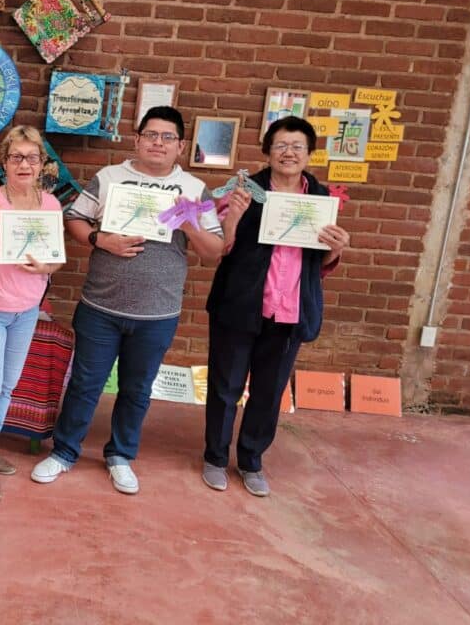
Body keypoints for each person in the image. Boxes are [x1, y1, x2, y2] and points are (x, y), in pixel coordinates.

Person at [31, 106, 224, 494]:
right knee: (85, 383)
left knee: (137, 389)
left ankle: (120, 455)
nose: (157, 142)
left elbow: (214, 250)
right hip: (101, 307)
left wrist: (188, 222)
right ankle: (65, 451)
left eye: (167, 137)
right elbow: (75, 219)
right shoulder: (110, 178)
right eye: (150, 134)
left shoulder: (194, 190)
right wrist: (99, 239)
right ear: (136, 139)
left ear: (180, 146)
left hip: (158, 312)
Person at [202, 116, 349, 497]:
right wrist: (234, 216)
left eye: (297, 146)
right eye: (281, 145)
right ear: (267, 150)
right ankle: (215, 457)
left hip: (290, 311)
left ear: (309, 154)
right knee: (225, 387)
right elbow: (223, 249)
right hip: (240, 305)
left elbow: (323, 265)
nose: (288, 153)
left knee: (269, 391)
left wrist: (336, 247)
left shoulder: (320, 199)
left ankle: (251, 460)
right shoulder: (244, 190)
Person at [0, 125, 63, 501]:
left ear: (40, 165)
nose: (24, 164)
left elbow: (56, 260)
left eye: (31, 158)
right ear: (4, 163)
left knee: (7, 386)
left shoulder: (50, 205)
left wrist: (45, 269)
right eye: (16, 157)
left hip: (26, 310)